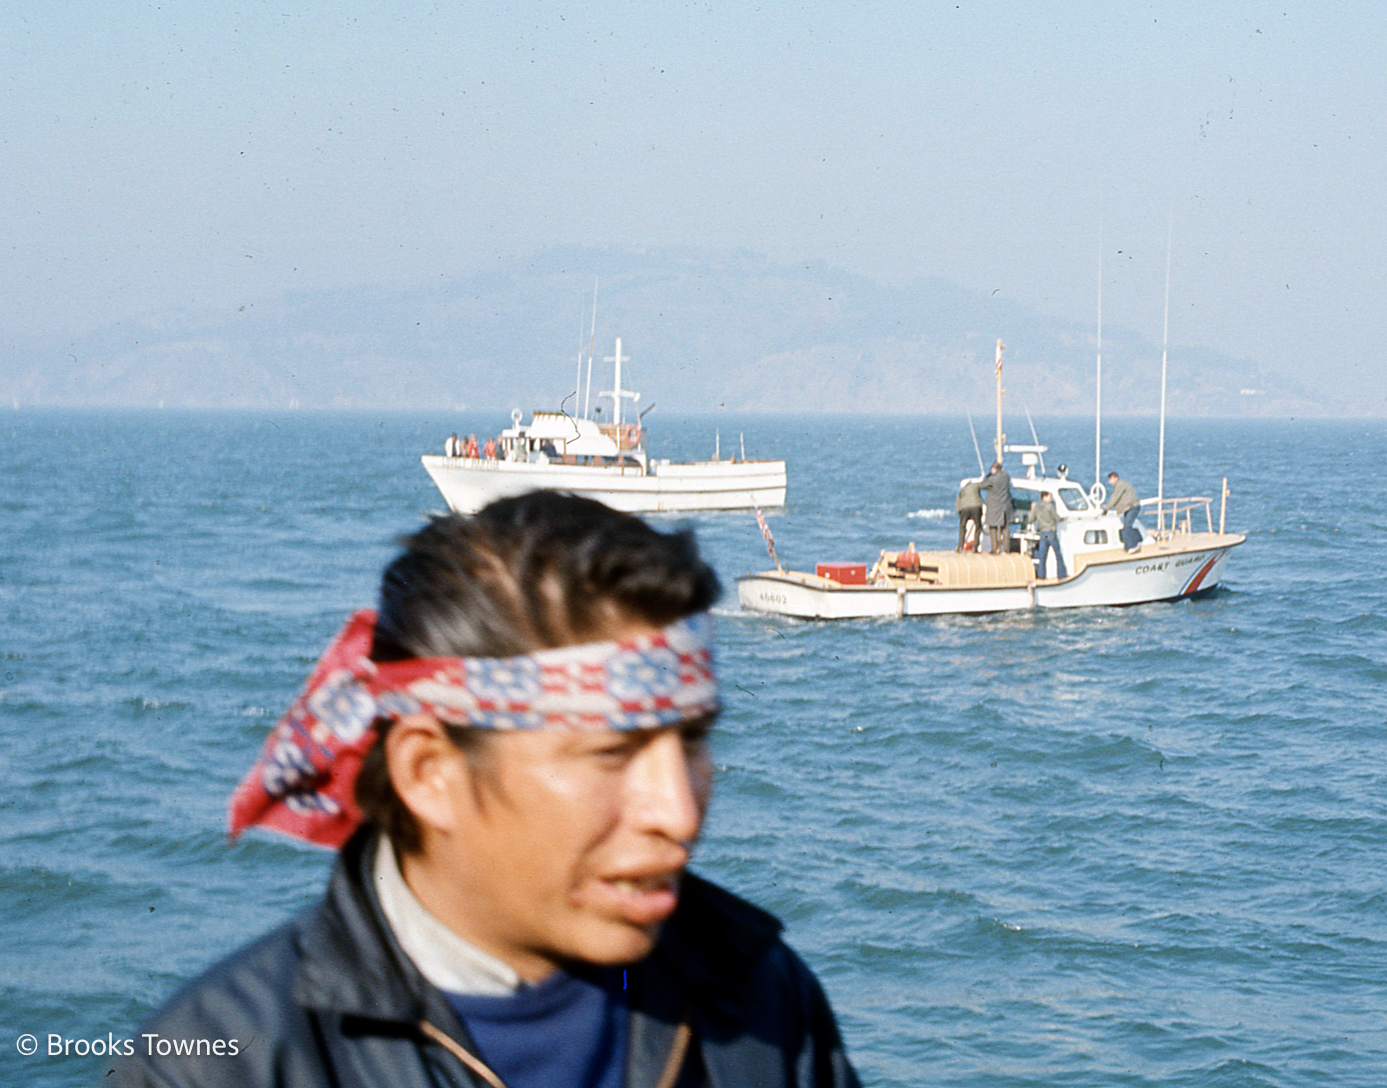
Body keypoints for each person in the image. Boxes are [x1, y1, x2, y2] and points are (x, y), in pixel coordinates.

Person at [110, 491, 860, 1088]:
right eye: (608, 752)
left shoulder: (763, 996)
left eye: (692, 742)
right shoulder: (215, 1067)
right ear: (428, 773)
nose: (679, 809)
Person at [978, 461, 1013, 555]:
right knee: (1005, 528)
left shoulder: (992, 481)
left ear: (994, 469)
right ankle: (1007, 549)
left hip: (994, 506)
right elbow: (1006, 475)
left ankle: (994, 548)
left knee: (993, 527)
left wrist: (988, 475)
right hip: (1005, 506)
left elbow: (982, 485)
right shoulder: (1006, 477)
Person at [1030, 491, 1065, 581]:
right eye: (1050, 496)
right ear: (1044, 497)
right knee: (1058, 555)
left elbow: (1030, 519)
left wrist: (1032, 509)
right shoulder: (1050, 506)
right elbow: (1057, 518)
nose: (1051, 499)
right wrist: (1063, 518)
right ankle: (1061, 575)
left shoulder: (1037, 507)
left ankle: (1041, 576)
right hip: (1050, 533)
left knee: (1042, 557)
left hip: (1042, 533)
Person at [1108, 470, 1142, 552]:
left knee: (1127, 527)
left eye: (1111, 479)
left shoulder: (1120, 485)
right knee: (1125, 527)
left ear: (1115, 478)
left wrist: (1107, 508)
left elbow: (1115, 497)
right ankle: (1127, 547)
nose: (1110, 482)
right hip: (1128, 508)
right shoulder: (1119, 485)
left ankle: (1133, 546)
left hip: (1133, 507)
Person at [954, 478, 984, 552]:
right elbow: (984, 485)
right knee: (978, 526)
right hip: (976, 507)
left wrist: (960, 513)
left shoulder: (962, 491)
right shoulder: (975, 485)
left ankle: (960, 546)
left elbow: (957, 503)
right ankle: (975, 547)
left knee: (962, 527)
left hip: (964, 508)